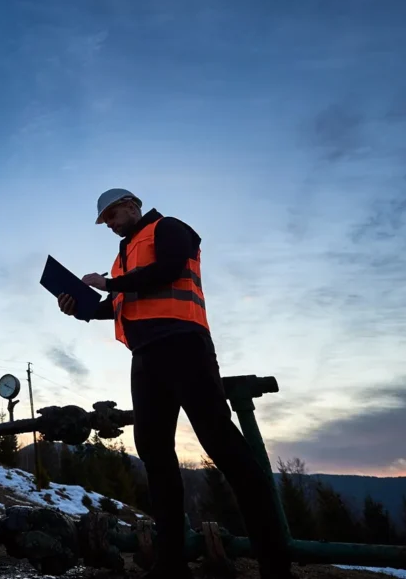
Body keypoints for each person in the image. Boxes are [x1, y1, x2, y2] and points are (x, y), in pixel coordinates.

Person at [56, 188, 291, 579]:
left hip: (184, 345)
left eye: (113, 216)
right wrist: (78, 309)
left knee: (223, 445)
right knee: (154, 452)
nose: (110, 224)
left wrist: (109, 283)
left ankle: (276, 565)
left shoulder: (169, 228)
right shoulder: (122, 257)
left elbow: (166, 270)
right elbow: (115, 307)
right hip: (145, 357)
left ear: (132, 205)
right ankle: (171, 563)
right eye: (106, 221)